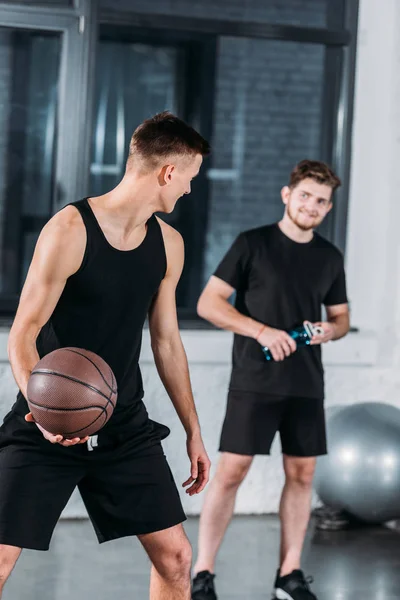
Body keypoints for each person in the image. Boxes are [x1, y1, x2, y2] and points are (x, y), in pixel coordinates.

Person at [0, 111, 211, 600]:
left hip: (123, 422)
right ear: (168, 173)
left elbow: (166, 342)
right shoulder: (70, 228)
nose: (189, 190)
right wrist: (42, 409)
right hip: (47, 416)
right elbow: (23, 333)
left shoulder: (168, 245)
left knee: (177, 558)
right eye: (191, 178)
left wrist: (193, 430)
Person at [191, 160, 350, 600]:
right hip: (254, 379)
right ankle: (203, 573)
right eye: (305, 196)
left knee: (301, 475)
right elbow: (209, 303)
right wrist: (260, 330)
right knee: (230, 474)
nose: (311, 206)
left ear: (328, 207)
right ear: (287, 195)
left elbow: (341, 317)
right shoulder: (251, 244)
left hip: (305, 383)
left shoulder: (329, 257)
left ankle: (289, 574)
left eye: (321, 201)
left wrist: (330, 331)